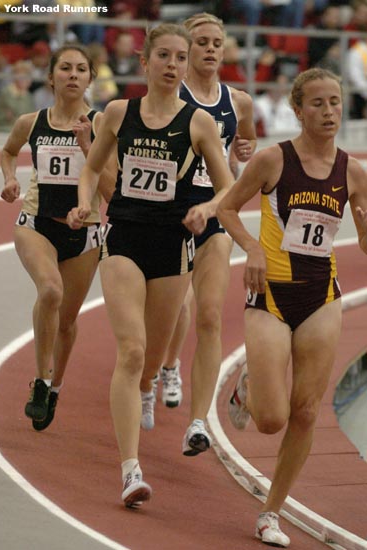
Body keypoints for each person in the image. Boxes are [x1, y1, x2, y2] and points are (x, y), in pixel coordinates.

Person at [67, 23, 235, 507]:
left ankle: (148, 387)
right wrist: (84, 205)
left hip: (172, 248)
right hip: (123, 239)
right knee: (133, 350)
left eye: (180, 58)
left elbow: (229, 188)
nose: (173, 65)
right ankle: (130, 470)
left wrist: (207, 208)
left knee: (154, 359)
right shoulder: (119, 112)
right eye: (163, 55)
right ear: (144, 61)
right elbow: (94, 168)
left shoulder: (199, 124)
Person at [217, 67, 367, 547]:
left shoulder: (354, 171)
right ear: (298, 110)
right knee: (271, 420)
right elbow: (225, 208)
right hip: (271, 296)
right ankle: (247, 389)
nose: (329, 112)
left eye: (335, 103)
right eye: (318, 104)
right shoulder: (272, 161)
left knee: (305, 411)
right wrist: (253, 248)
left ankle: (270, 513)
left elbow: (365, 244)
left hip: (321, 295)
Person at [139, 13, 256, 456]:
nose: (209, 49)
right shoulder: (172, 94)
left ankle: (197, 421)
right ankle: (157, 374)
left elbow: (244, 141)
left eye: (216, 43)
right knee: (172, 314)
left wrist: (244, 148)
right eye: (201, 43)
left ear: (225, 50)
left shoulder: (238, 100)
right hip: (172, 216)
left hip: (216, 216)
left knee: (208, 315)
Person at [0, 45, 104, 432]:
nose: (73, 75)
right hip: (36, 222)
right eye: (65, 68)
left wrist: (88, 147)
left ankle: (56, 385)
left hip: (86, 231)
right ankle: (41, 382)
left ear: (91, 78)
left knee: (67, 322)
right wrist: (9, 178)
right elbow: (9, 152)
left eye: (81, 69)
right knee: (50, 291)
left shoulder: (102, 123)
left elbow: (112, 186)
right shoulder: (31, 122)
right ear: (51, 77)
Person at [0, 60, 35, 132]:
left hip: (22, 131)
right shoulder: (6, 92)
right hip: (5, 129)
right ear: (15, 77)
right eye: (22, 77)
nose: (28, 80)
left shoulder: (28, 96)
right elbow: (9, 116)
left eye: (28, 76)